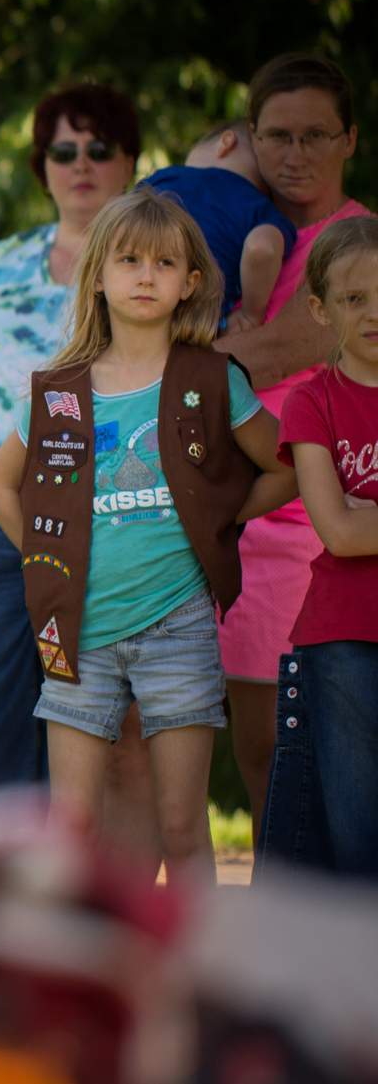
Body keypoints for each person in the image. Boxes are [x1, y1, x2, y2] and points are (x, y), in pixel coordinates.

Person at [0, 189, 295, 881]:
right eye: (128, 260)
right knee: (72, 827)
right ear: (98, 275)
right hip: (77, 627)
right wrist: (43, 557)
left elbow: (288, 465)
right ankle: (80, 974)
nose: (145, 275)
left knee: (183, 824)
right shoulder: (57, 391)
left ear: (190, 282)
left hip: (178, 627)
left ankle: (197, 974)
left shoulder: (211, 380)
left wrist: (222, 514)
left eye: (163, 263)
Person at [0, 84, 142, 797]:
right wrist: (3, 478)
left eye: (100, 148)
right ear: (42, 165)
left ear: (130, 160)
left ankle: (85, 904)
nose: (82, 164)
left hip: (117, 522)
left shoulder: (157, 264)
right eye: (63, 150)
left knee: (102, 732)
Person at [214, 53, 370, 845]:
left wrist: (197, 361)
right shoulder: (231, 226)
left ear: (349, 139)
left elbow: (280, 352)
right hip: (231, 516)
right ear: (250, 137)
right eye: (276, 135)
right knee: (260, 753)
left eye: (316, 134)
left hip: (322, 516)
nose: (295, 153)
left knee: (325, 751)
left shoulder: (361, 245)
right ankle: (285, 928)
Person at [265, 215, 378, 879]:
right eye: (354, 298)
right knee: (358, 839)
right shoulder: (314, 402)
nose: (373, 314)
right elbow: (336, 529)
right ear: (320, 308)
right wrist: (353, 522)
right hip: (344, 638)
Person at [140, 120, 295, 333]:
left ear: (226, 142)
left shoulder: (165, 177)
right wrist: (250, 315)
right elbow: (261, 248)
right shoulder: (263, 211)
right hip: (195, 322)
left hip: (134, 295)